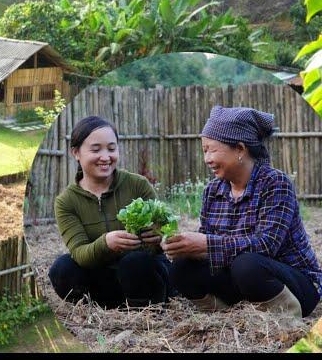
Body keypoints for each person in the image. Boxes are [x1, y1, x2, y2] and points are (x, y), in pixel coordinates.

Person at [162, 106, 322, 318]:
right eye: (204, 151)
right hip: (242, 282)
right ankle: (228, 317)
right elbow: (207, 244)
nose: (206, 159)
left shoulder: (275, 183)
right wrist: (184, 246)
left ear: (239, 149)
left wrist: (206, 244)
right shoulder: (213, 190)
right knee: (182, 267)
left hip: (293, 283)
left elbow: (266, 245)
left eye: (212, 150)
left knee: (246, 263)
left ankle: (281, 319)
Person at [48, 116, 174, 309]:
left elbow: (165, 234)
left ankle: (145, 310)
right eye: (96, 149)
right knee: (62, 268)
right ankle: (102, 308)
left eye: (112, 148)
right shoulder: (66, 202)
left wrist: (158, 237)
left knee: (135, 261)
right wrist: (106, 243)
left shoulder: (137, 185)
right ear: (76, 152)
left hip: (143, 278)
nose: (106, 157)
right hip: (103, 281)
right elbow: (80, 253)